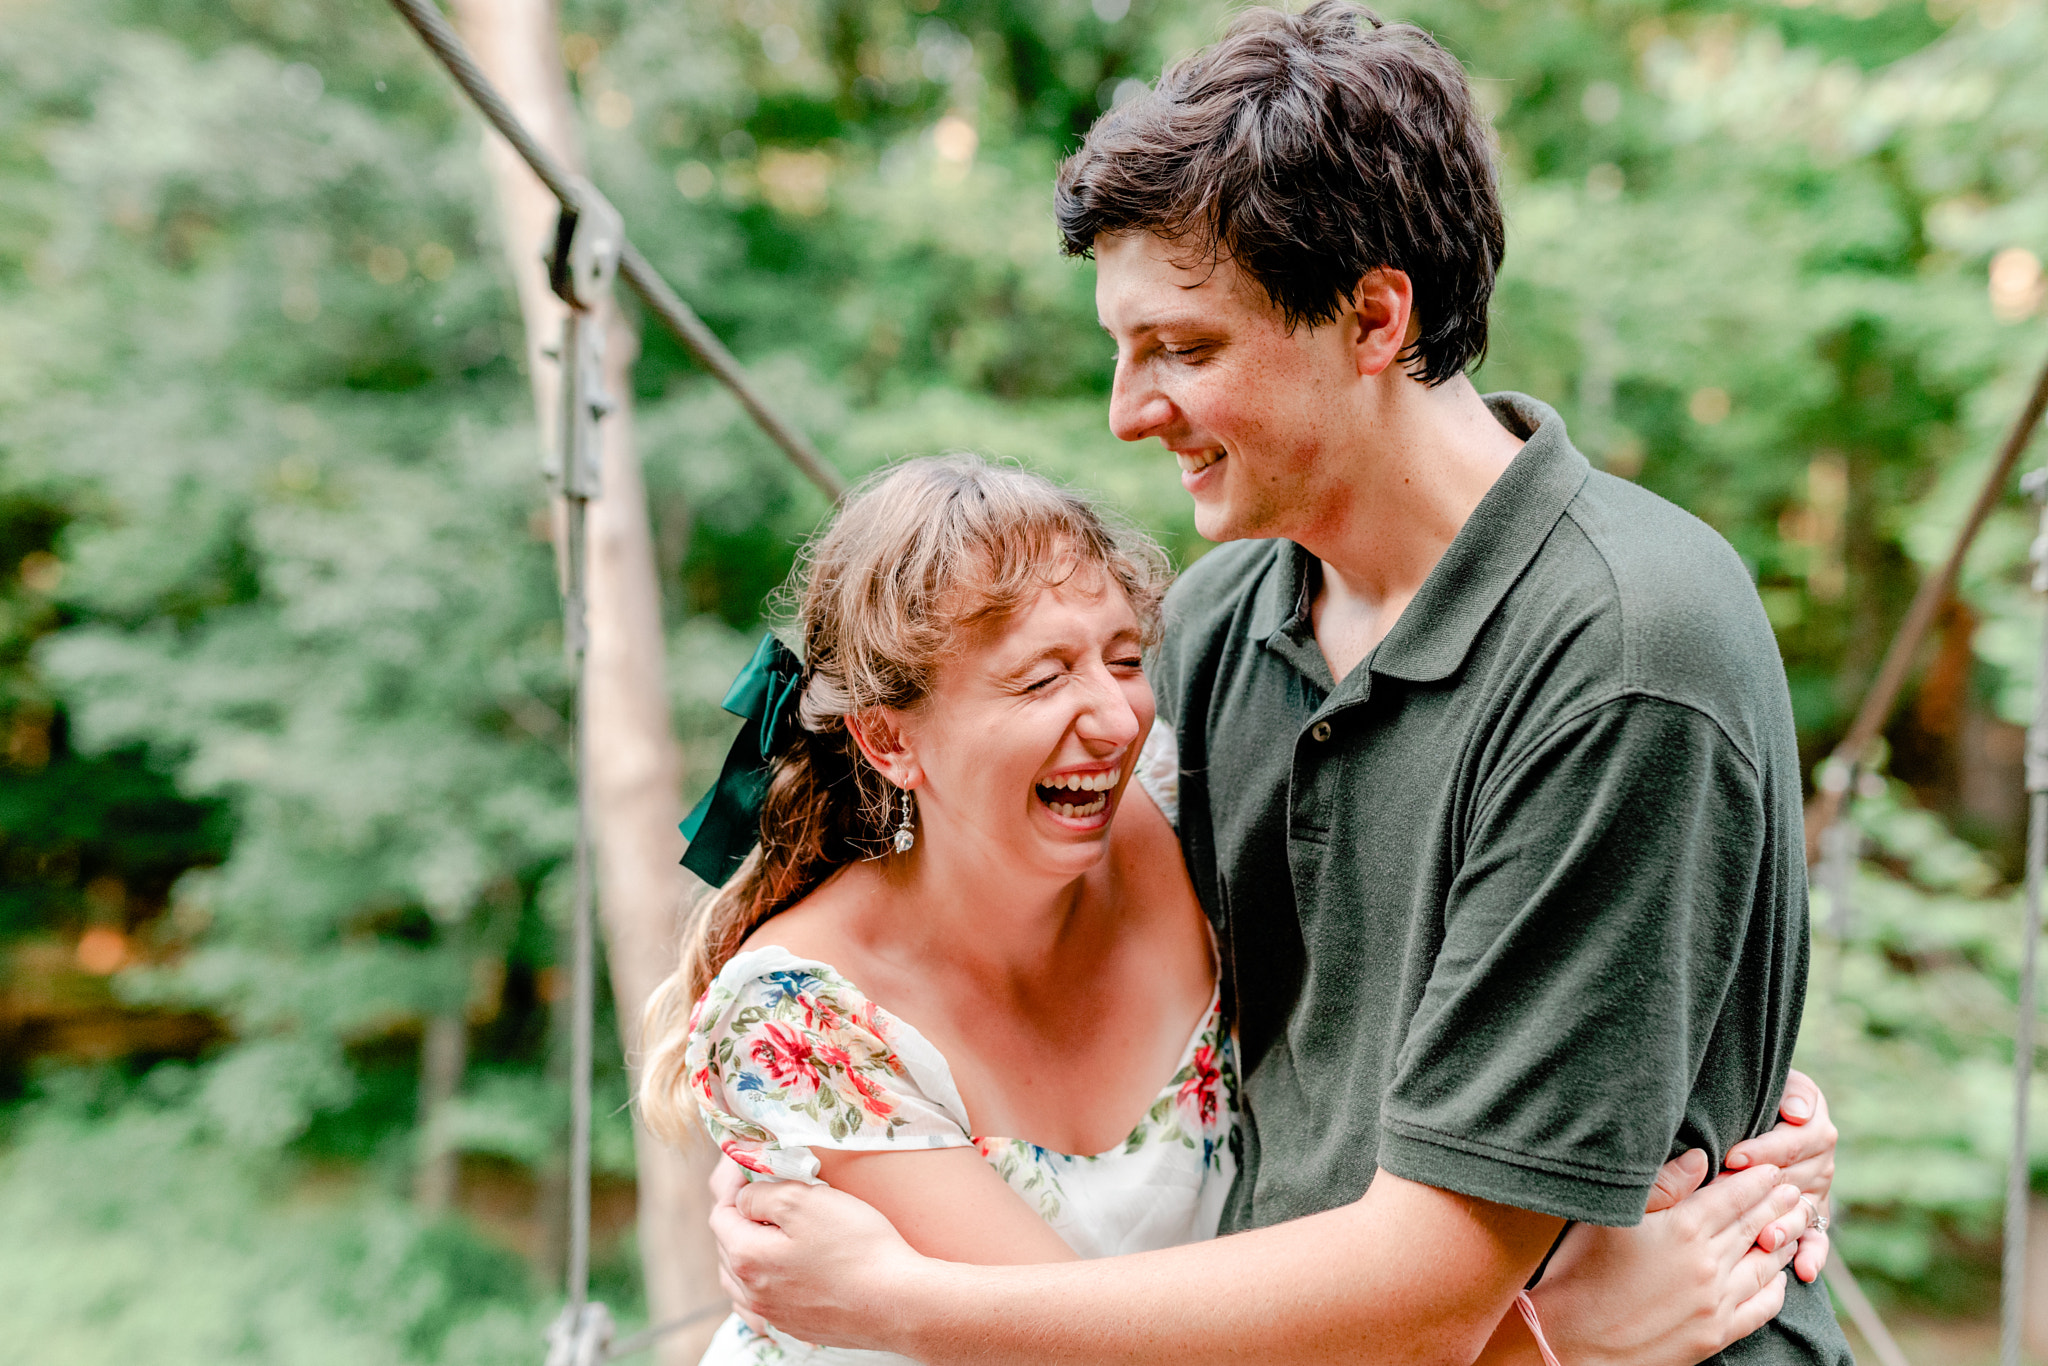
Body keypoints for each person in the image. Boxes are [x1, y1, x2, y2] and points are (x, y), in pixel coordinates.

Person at [698, 5, 1855, 1366]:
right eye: (1121, 350)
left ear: (1374, 317)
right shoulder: (1222, 622)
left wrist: (899, 1300)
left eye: (1184, 349)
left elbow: (1435, 1283)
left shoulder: (1624, 647)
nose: (1128, 411)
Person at [641, 457, 1835, 1366]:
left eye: (1120, 656)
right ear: (889, 737)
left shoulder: (1177, 802)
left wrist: (1693, 1101)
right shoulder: (796, 1024)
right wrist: (1552, 1336)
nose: (1110, 717)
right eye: (1041, 676)